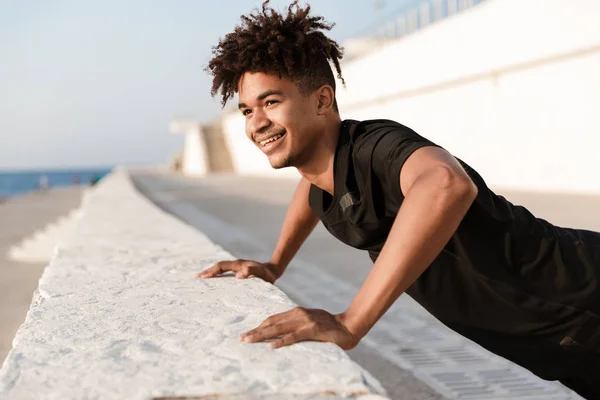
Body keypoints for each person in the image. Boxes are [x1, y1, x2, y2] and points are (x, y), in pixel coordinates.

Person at [197, 1, 600, 398]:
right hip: (561, 349)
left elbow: (445, 183)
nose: (256, 123)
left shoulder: (377, 145)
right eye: (247, 110)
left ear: (321, 100)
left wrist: (351, 321)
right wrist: (275, 263)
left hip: (585, 303)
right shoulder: (323, 173)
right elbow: (312, 192)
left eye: (271, 102)